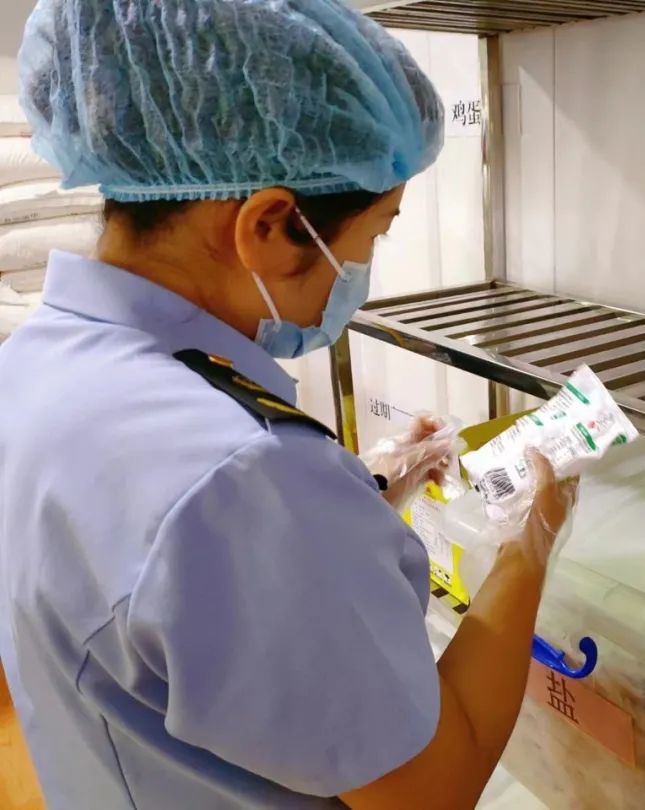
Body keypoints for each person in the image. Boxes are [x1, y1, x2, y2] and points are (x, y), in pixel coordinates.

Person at [0, 1, 577, 809]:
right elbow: (433, 789)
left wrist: (355, 494)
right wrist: (528, 543)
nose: (362, 267)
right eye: (375, 234)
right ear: (269, 224)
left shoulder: (34, 362)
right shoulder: (243, 475)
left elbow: (168, 594)